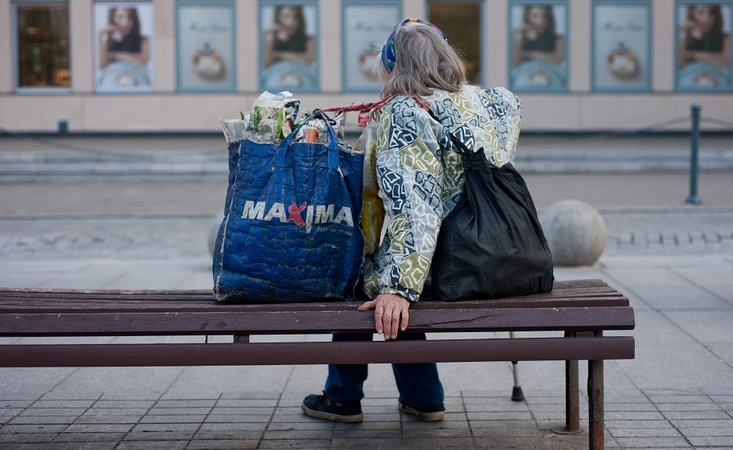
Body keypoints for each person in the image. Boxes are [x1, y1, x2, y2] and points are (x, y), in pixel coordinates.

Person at [301, 18, 522, 424]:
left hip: (450, 264)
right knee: (393, 274)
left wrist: (400, 287)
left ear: (392, 66)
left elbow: (416, 208)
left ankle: (342, 397)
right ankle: (423, 397)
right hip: (502, 254)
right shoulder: (495, 103)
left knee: (362, 280)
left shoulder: (405, 113)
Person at [510, 5, 566, 88]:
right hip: (525, 80)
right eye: (535, 16)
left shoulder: (558, 39)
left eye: (545, 16)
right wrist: (517, 36)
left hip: (551, 78)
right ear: (528, 17)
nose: (541, 21)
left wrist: (530, 54)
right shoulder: (521, 40)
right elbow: (516, 63)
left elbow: (557, 60)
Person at [261, 6, 317, 89]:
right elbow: (266, 64)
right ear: (278, 18)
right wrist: (268, 35)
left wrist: (281, 55)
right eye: (286, 16)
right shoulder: (272, 41)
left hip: (303, 79)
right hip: (276, 82)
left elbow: (308, 61)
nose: (291, 22)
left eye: (296, 17)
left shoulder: (309, 40)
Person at [677, 4, 731, 88]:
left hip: (718, 82)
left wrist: (694, 55)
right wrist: (681, 33)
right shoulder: (684, 39)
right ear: (692, 14)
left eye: (711, 13)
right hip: (689, 84)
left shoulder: (726, 38)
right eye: (700, 12)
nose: (706, 19)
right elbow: (680, 65)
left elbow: (726, 62)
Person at [97, 7, 151, 88]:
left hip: (137, 77)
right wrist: (103, 36)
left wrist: (116, 55)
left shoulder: (143, 39)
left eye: (130, 17)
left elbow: (143, 61)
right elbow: (102, 65)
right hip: (112, 79)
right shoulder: (107, 40)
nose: (126, 22)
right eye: (120, 17)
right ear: (113, 18)